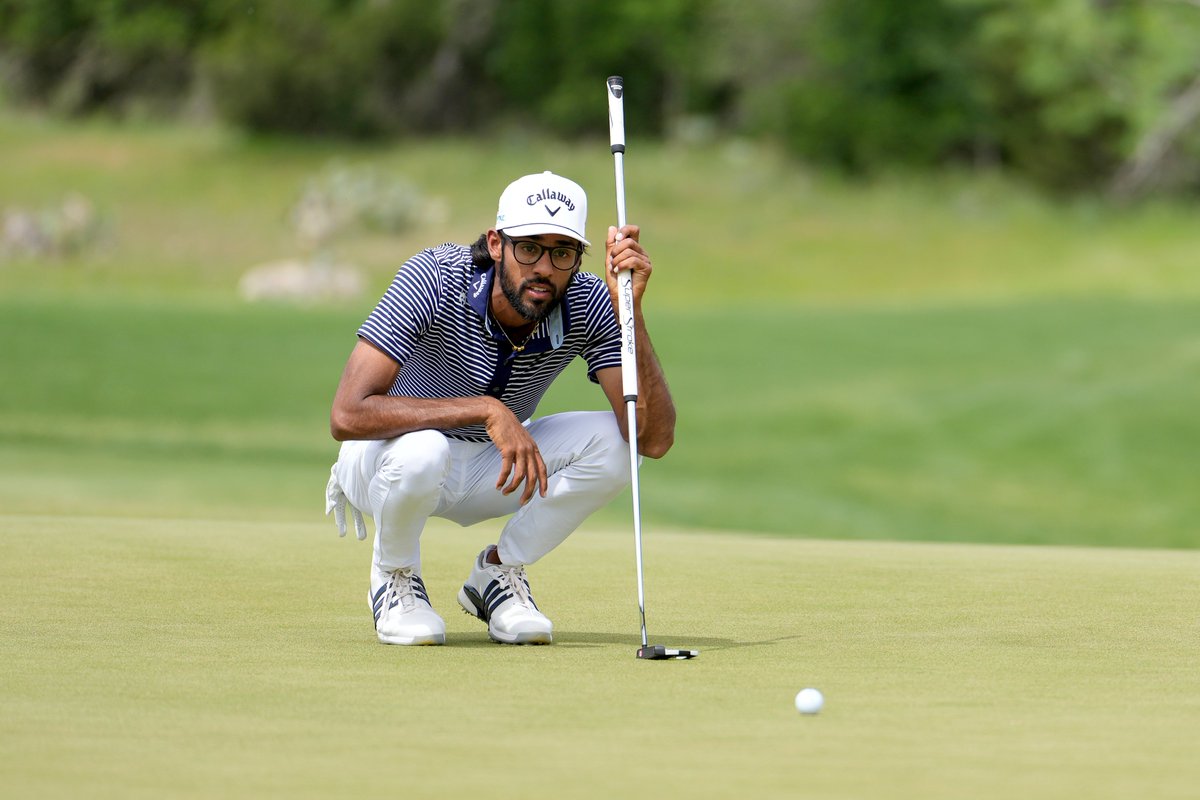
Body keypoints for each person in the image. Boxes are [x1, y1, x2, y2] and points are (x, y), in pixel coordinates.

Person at [324, 171, 676, 646]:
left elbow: (653, 439)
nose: (545, 268)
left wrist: (628, 310)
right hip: (388, 462)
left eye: (562, 253)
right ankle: (395, 577)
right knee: (424, 452)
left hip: (494, 466)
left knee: (621, 445)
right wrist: (486, 409)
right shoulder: (435, 276)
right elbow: (347, 415)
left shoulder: (589, 300)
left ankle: (498, 573)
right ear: (496, 244)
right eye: (529, 247)